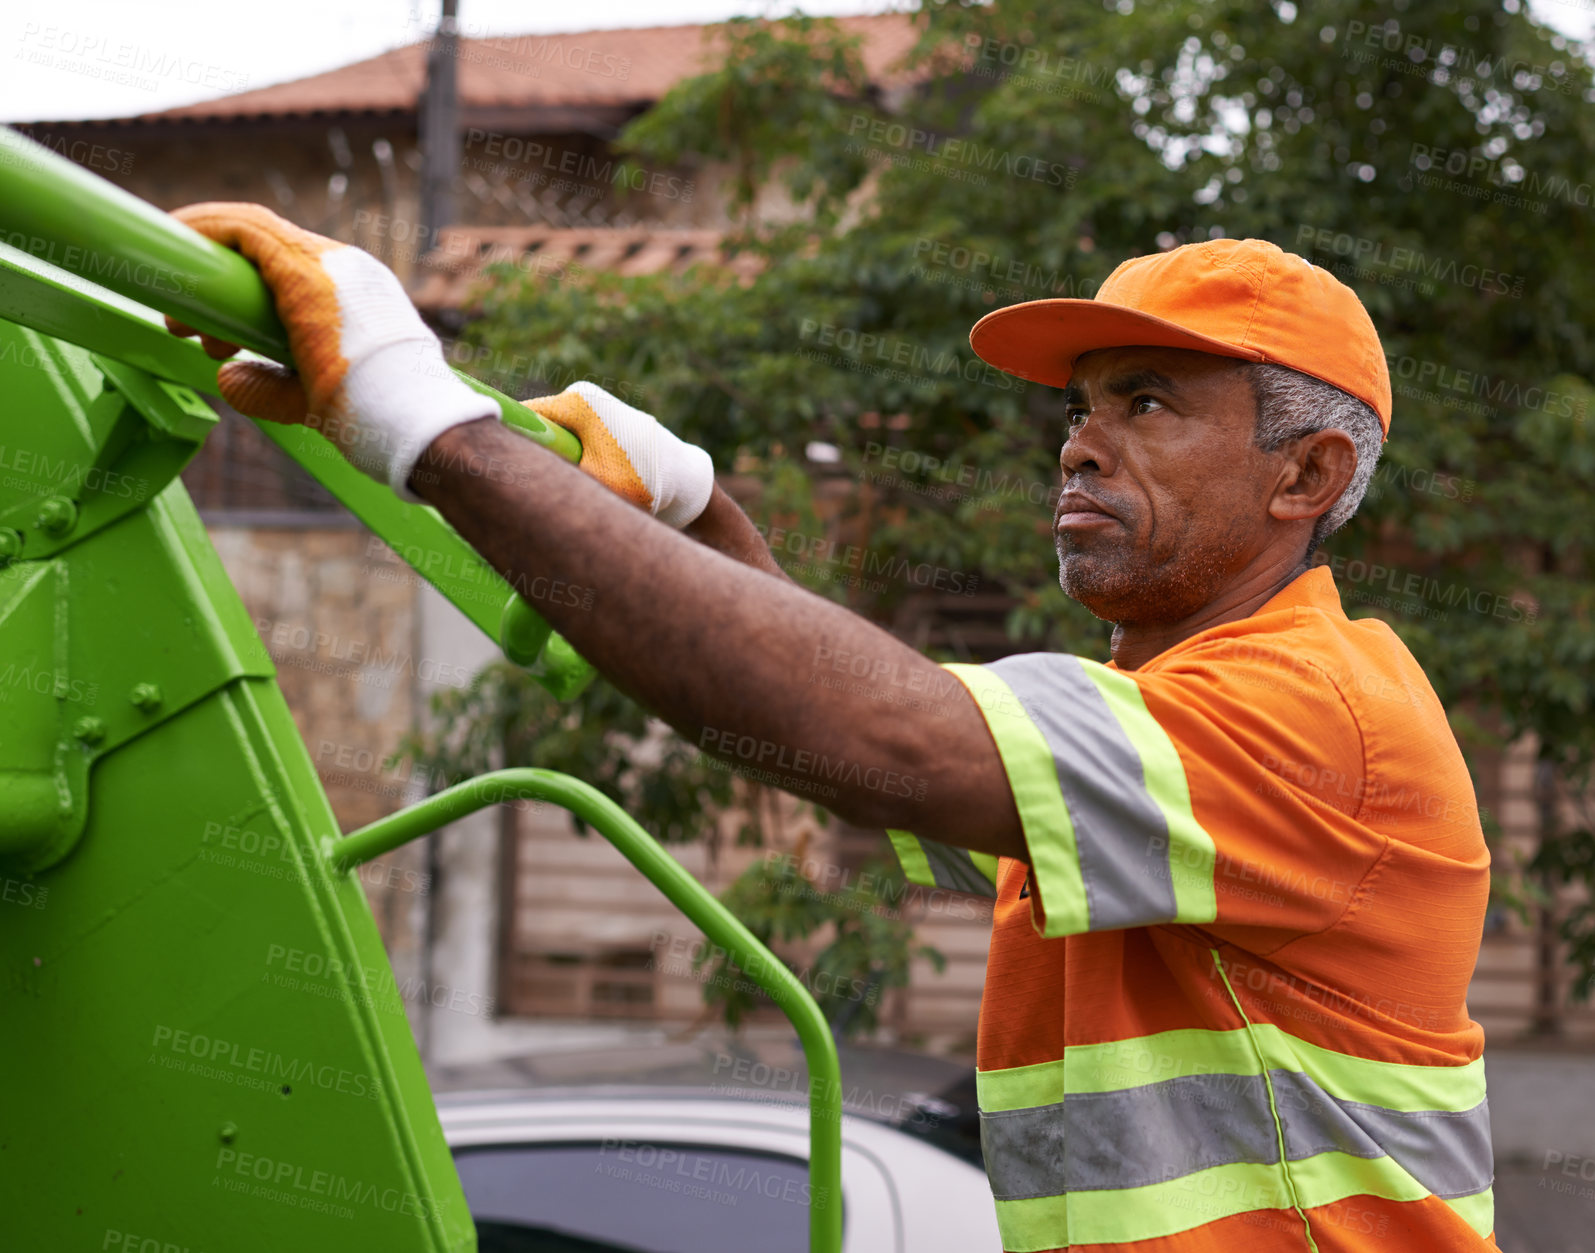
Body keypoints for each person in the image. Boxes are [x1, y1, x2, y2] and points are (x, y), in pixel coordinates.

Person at [168, 204, 1495, 1253]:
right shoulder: (1160, 750)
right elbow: (861, 758)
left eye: (1146, 403)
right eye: (1081, 406)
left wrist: (423, 416)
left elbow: (888, 736)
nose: (1080, 444)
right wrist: (697, 513)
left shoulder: (1311, 713)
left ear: (1305, 474)